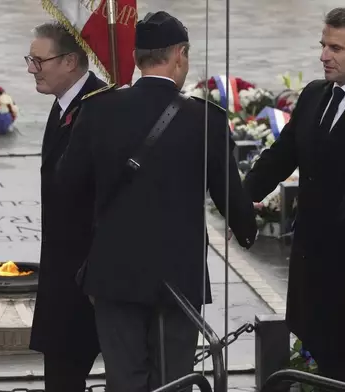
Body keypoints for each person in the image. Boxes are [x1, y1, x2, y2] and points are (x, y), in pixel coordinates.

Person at [55, 11, 257, 391]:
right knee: (173, 378)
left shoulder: (98, 109)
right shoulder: (206, 119)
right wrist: (248, 232)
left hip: (114, 272)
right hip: (177, 277)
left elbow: (66, 187)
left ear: (137, 59)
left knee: (124, 376)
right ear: (179, 55)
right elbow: (230, 197)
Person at [243, 6, 345, 385]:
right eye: (323, 45)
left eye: (336, 48)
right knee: (319, 357)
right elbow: (279, 158)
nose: (324, 55)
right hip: (309, 260)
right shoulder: (313, 95)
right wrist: (238, 203)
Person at [25, 21, 107, 392]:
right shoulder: (64, 105)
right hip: (63, 272)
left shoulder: (99, 107)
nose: (31, 69)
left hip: (87, 275)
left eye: (39, 61)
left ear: (71, 61)